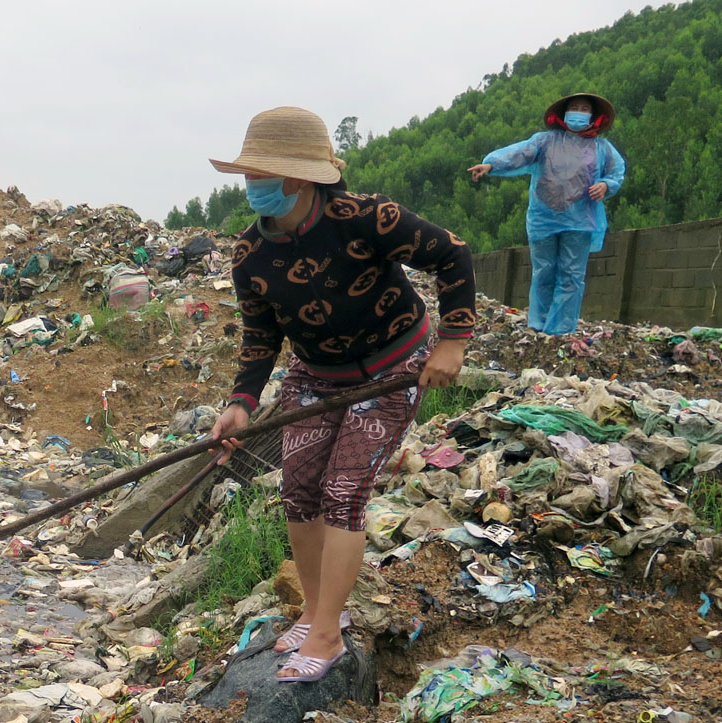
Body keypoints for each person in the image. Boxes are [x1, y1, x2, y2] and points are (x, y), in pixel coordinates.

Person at [207, 106, 476, 684]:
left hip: (392, 365)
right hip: (315, 375)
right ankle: (314, 610)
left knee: (345, 487)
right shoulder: (250, 254)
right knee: (300, 486)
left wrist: (452, 342)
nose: (253, 187)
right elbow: (261, 336)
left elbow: (452, 253)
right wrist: (241, 403)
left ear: (300, 178)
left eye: (263, 175)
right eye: (249, 175)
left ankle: (329, 633)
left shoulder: (367, 218)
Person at [468, 93, 626, 336]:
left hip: (581, 220)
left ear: (593, 116)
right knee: (544, 270)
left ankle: (561, 329)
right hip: (544, 217)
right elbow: (519, 153)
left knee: (571, 274)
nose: (578, 111)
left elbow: (616, 173)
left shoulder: (601, 147)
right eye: (574, 107)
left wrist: (606, 185)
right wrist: (491, 164)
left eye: (584, 108)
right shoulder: (545, 141)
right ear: (563, 113)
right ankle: (538, 325)